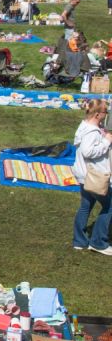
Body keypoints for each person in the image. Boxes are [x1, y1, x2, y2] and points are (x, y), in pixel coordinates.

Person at [71, 99, 112, 255]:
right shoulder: (92, 132)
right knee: (109, 206)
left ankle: (79, 241)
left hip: (84, 174)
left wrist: (103, 133)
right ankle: (98, 242)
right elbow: (88, 152)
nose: (106, 115)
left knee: (86, 206)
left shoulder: (85, 126)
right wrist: (106, 141)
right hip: (94, 176)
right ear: (97, 114)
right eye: (105, 112)